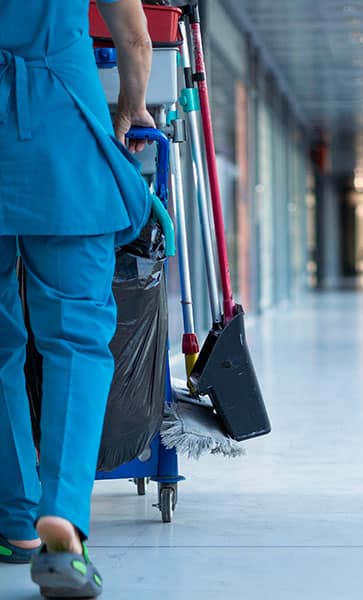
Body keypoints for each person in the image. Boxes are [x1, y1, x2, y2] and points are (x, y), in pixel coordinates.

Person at [0, 0, 154, 596]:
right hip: (65, 138)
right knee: (76, 339)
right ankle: (61, 531)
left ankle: (16, 524)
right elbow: (135, 37)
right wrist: (129, 107)